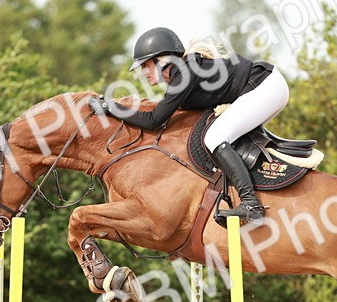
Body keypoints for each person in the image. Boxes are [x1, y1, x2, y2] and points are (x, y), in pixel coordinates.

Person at [92, 27, 289, 224]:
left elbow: (153, 120)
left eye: (145, 65)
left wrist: (111, 107)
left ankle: (251, 204)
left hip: (266, 87)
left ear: (162, 60)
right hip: (265, 87)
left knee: (215, 137)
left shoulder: (185, 72)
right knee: (223, 135)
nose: (143, 72)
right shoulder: (183, 73)